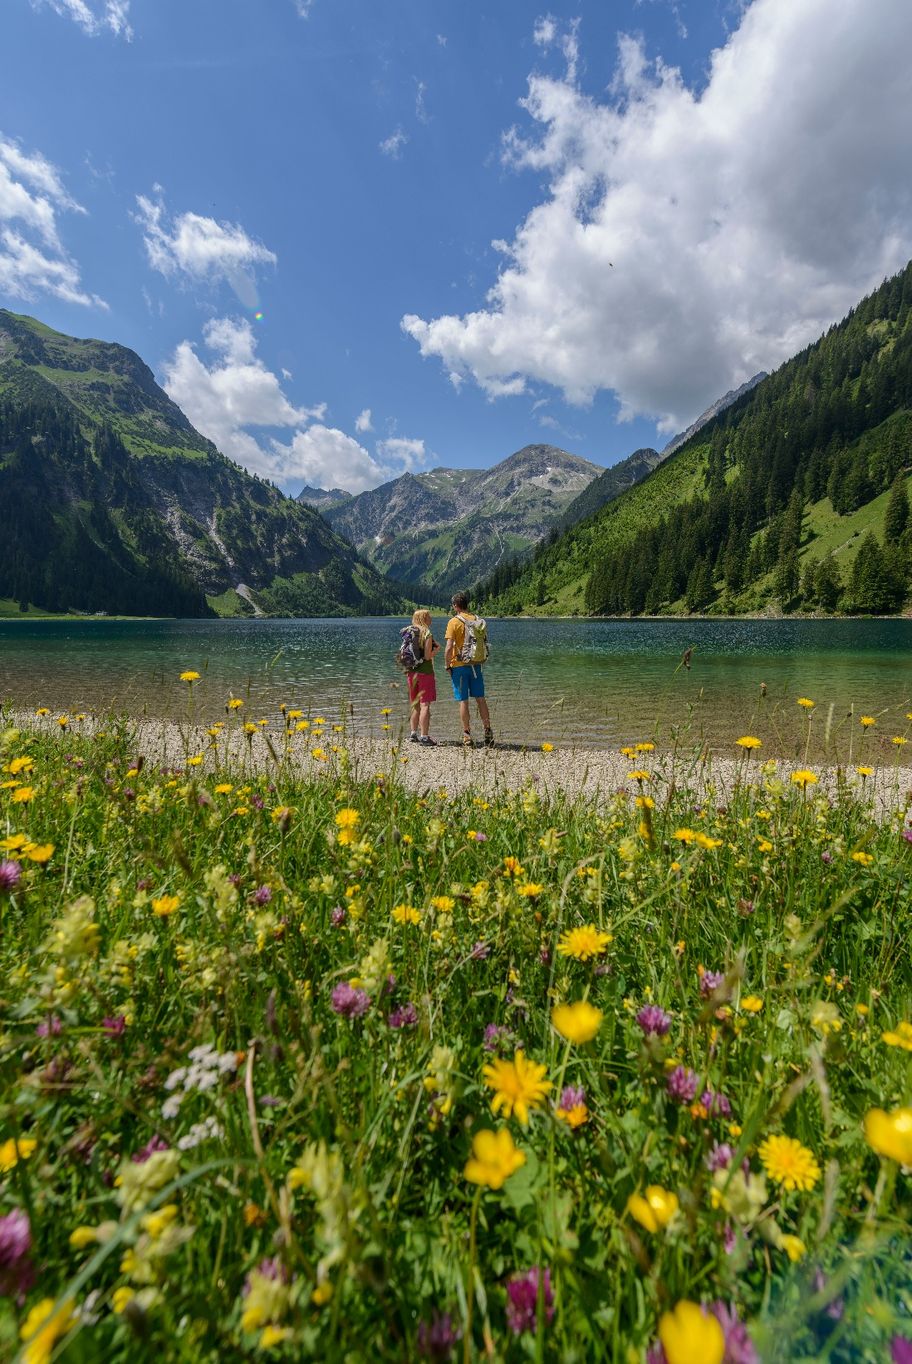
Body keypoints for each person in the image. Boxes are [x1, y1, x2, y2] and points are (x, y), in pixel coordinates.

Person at [444, 592, 494, 748]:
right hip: (476, 664)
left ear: (455, 606)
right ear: (467, 604)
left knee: (463, 701)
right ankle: (488, 732)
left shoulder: (454, 621)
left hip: (459, 666)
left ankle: (466, 735)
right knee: (480, 699)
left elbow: (448, 647)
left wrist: (447, 665)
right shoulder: (477, 620)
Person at [408, 609, 440, 746]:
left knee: (415, 704)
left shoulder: (409, 632)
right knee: (425, 704)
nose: (431, 618)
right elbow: (427, 656)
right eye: (429, 616)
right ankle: (425, 737)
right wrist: (436, 651)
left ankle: (413, 733)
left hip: (411, 672)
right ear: (424, 618)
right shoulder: (427, 632)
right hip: (425, 673)